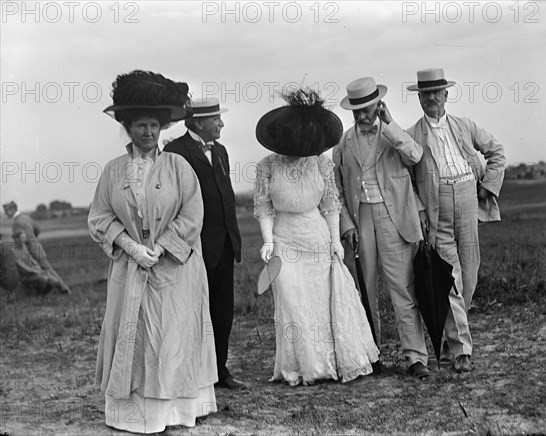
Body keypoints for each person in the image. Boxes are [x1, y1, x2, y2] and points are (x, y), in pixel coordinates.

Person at [88, 70, 218, 433]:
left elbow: (193, 215)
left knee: (171, 337)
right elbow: (99, 217)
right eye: (140, 126)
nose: (148, 133)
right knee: (135, 334)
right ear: (127, 128)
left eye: (154, 126)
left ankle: (173, 412)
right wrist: (130, 246)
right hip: (130, 270)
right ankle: (132, 414)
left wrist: (160, 248)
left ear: (162, 129)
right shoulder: (113, 172)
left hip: (174, 271)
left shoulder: (179, 167)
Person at [254, 88, 379, 386]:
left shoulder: (322, 164)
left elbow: (330, 204)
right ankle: (302, 366)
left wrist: (335, 240)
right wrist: (268, 241)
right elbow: (264, 207)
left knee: (323, 301)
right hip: (285, 240)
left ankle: (330, 361)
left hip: (318, 237)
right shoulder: (267, 166)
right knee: (293, 303)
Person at [406, 68, 506, 373]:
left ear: (447, 95)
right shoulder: (412, 136)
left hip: (467, 200)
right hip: (437, 209)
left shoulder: (465, 126)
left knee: (469, 276)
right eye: (426, 94)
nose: (431, 98)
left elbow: (498, 153)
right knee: (449, 278)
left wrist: (487, 187)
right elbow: (407, 180)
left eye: (437, 92)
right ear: (420, 98)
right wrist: (420, 209)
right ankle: (462, 350)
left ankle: (449, 343)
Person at [332, 77, 431, 380]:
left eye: (367, 109)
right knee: (365, 288)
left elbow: (415, 156)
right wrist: (346, 223)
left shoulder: (391, 132)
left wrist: (390, 124)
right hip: (360, 217)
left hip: (394, 217)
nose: (362, 115)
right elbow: (335, 187)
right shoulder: (344, 142)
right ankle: (370, 354)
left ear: (379, 105)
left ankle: (415, 357)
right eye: (357, 111)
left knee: (403, 287)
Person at [163, 97, 245, 390]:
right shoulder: (174, 152)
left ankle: (220, 371)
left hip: (225, 244)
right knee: (194, 311)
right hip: (195, 247)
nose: (221, 123)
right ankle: (195, 374)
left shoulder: (221, 151)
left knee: (223, 311)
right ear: (198, 123)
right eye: (216, 119)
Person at [2, 200, 71, 293]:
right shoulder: (26, 217)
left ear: (13, 209)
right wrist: (33, 239)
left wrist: (28, 242)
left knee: (45, 269)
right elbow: (38, 229)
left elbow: (18, 238)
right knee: (44, 269)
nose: (6, 213)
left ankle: (63, 288)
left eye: (7, 211)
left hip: (29, 249)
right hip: (36, 246)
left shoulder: (16, 223)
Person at [12, 230, 69, 294]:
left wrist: (39, 269)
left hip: (34, 272)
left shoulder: (24, 247)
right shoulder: (14, 252)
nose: (24, 240)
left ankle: (45, 294)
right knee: (43, 279)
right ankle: (37, 295)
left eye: (24, 238)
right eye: (22, 238)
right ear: (16, 239)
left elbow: (33, 261)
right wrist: (38, 272)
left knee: (55, 281)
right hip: (25, 276)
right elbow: (23, 268)